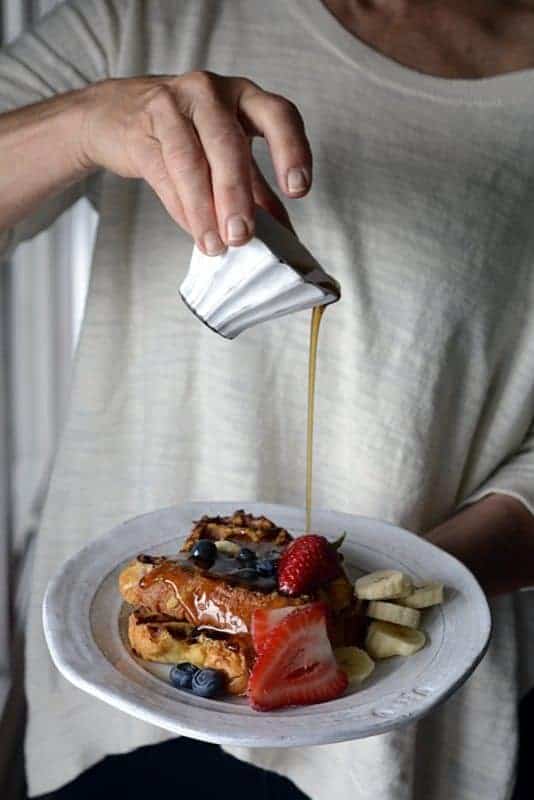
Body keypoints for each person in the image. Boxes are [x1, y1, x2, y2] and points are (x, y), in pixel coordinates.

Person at [2, 1, 534, 798]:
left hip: (406, 726)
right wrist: (85, 121)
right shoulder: (146, 18)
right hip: (123, 712)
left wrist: (409, 583)